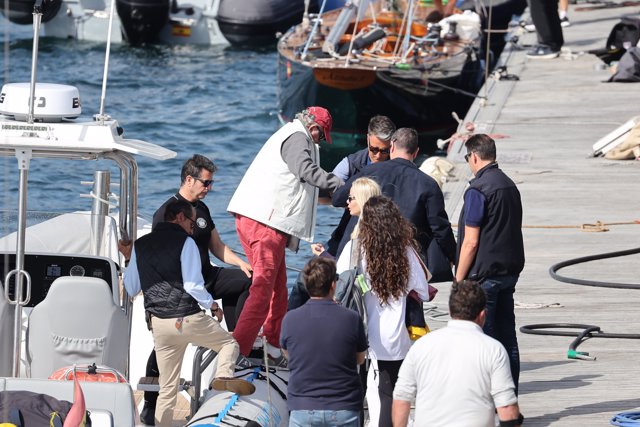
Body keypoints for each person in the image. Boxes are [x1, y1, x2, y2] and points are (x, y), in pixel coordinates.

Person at [123, 154, 253, 425]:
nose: (209, 188)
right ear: (189, 179)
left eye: (212, 182)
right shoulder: (166, 215)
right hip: (182, 288)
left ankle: (237, 346)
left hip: (203, 278)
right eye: (206, 182)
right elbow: (161, 260)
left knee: (244, 281)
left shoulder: (200, 210)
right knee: (166, 347)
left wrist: (242, 263)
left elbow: (216, 247)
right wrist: (208, 304)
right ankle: (149, 402)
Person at [227, 106, 344, 364]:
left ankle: (272, 346)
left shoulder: (291, 133)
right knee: (263, 289)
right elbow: (305, 170)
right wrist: (340, 185)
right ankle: (237, 352)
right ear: (314, 128)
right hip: (265, 225)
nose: (320, 141)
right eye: (321, 136)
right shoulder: (297, 137)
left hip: (264, 223)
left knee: (278, 290)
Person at [337, 196, 430, 427]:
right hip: (393, 336)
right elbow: (423, 291)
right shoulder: (406, 251)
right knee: (388, 393)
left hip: (359, 331)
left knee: (355, 393)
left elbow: (339, 286)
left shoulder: (354, 248)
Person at [392, 280, 523, 427]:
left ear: (450, 311)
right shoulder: (493, 349)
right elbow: (507, 409)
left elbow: (401, 398)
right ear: (482, 315)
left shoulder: (422, 345)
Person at [332, 128, 457, 281]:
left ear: (391, 147)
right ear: (416, 152)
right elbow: (440, 228)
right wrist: (453, 256)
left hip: (362, 255)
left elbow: (338, 199)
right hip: (402, 262)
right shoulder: (428, 184)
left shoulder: (370, 170)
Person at [455, 134, 525, 392]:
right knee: (508, 341)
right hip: (509, 273)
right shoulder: (509, 185)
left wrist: (458, 279)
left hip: (485, 279)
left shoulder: (478, 190)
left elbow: (470, 242)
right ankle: (510, 398)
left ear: (474, 156)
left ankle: (492, 402)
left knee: (486, 344)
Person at [281, 257, 368, 427]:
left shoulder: (290, 319)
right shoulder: (351, 318)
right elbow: (360, 359)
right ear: (333, 285)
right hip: (344, 407)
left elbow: (288, 355)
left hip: (302, 407)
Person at [290, 177, 381, 310]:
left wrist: (322, 254)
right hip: (366, 288)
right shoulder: (378, 228)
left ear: (361, 200)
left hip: (357, 291)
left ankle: (292, 319)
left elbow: (345, 269)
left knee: (303, 278)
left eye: (351, 198)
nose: (347, 202)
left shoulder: (360, 235)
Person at [322, 115, 395, 257]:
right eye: (374, 149)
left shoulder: (397, 166)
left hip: (387, 230)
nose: (379, 156)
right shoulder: (351, 163)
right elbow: (332, 194)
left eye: (384, 151)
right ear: (368, 139)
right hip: (352, 226)